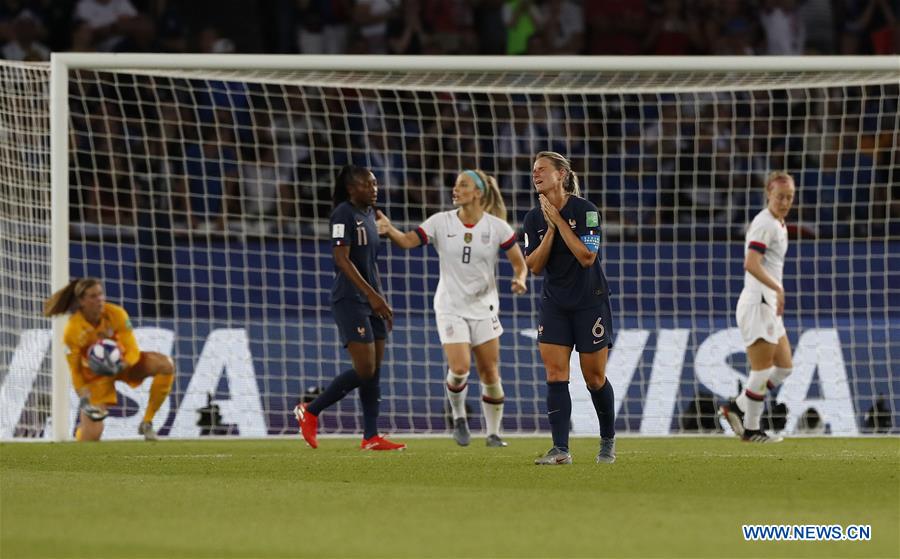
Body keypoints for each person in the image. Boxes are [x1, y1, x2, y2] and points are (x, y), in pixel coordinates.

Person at [376, 169, 528, 447]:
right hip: (450, 306)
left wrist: (519, 279)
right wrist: (390, 231)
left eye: (463, 185)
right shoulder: (440, 222)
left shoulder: (497, 227)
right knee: (459, 368)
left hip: (484, 307)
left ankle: (493, 433)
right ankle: (458, 416)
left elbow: (519, 262)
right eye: (456, 185)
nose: (455, 189)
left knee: (490, 373)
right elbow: (409, 241)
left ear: (478, 193)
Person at [293, 165, 406, 451]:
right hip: (350, 300)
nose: (374, 189)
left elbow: (370, 264)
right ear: (351, 188)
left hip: (371, 300)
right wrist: (372, 297)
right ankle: (310, 410)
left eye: (375, 184)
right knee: (365, 368)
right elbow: (342, 260)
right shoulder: (343, 213)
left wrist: (380, 299)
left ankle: (370, 436)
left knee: (375, 369)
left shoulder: (370, 215)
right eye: (368, 184)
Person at [522, 151, 617, 465]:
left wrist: (559, 221)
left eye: (542, 170)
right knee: (555, 373)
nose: (535, 174)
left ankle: (607, 441)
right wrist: (549, 229)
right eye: (533, 170)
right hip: (555, 304)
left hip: (590, 303)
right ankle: (560, 449)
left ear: (561, 174)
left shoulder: (586, 211)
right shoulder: (533, 219)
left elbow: (587, 257)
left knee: (595, 378)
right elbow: (533, 266)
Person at [43, 278, 175, 441]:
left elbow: (132, 350)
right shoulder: (73, 330)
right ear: (81, 301)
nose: (99, 299)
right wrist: (82, 393)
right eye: (93, 296)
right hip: (95, 377)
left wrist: (121, 365)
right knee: (90, 437)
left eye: (100, 294)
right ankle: (81, 433)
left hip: (124, 365)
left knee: (165, 365)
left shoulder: (116, 314)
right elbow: (75, 369)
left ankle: (147, 422)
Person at [718, 172, 796, 443]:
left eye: (789, 197)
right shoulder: (765, 224)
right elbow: (751, 263)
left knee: (784, 366)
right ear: (768, 195)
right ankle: (751, 429)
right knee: (761, 371)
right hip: (758, 302)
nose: (785, 202)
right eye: (780, 197)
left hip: (769, 303)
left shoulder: (779, 223)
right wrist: (777, 288)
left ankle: (738, 405)